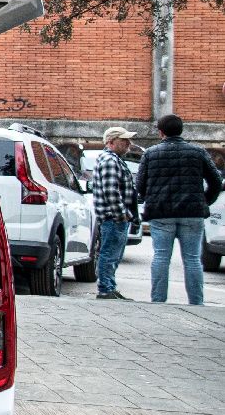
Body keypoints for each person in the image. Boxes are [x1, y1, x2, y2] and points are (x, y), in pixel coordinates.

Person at [136, 114, 223, 305]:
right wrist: (204, 201)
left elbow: (140, 185)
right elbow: (216, 181)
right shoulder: (197, 152)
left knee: (161, 256)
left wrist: (150, 198)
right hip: (192, 213)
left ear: (160, 132)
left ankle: (158, 300)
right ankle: (196, 302)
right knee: (192, 259)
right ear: (181, 130)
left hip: (160, 212)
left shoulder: (150, 153)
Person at [89, 127, 140, 301]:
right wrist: (122, 214)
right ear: (111, 142)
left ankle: (109, 287)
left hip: (114, 217)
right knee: (109, 254)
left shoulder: (112, 159)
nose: (128, 144)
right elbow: (111, 191)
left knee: (112, 254)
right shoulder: (110, 160)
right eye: (124, 140)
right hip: (113, 217)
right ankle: (105, 289)